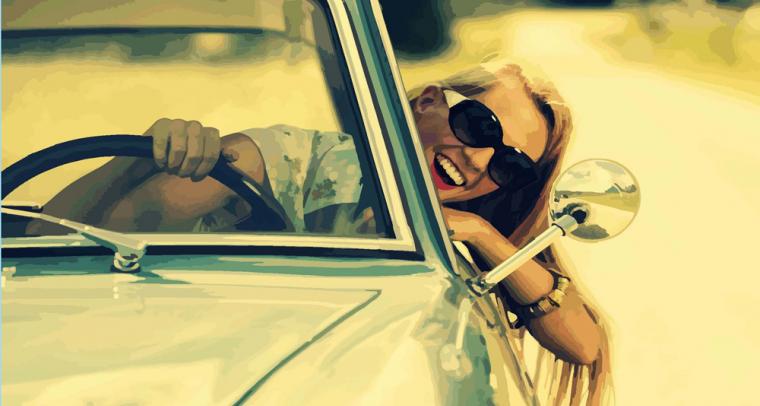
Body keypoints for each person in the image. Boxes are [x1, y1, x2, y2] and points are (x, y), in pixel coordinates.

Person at [36, 62, 610, 404]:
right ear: (428, 102)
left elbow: (584, 346)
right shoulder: (281, 160)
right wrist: (145, 161)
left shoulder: (462, 237)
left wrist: (482, 234)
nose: (479, 159)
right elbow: (95, 247)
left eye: (509, 165)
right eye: (477, 125)